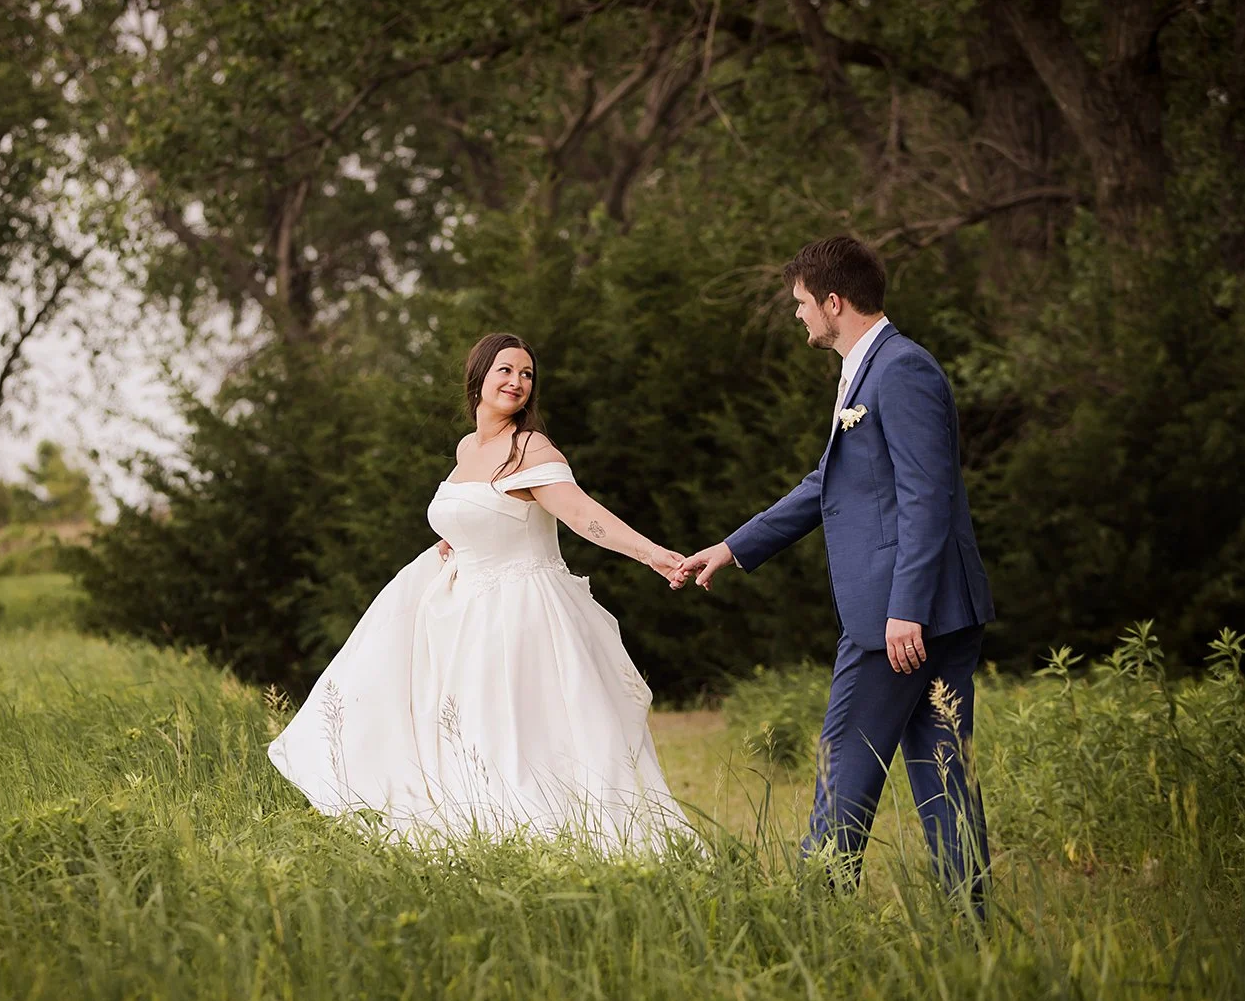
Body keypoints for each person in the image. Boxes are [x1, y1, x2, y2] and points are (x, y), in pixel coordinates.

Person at [268, 332, 702, 855]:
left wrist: (654, 554)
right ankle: (482, 845)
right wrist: (458, 535)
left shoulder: (530, 448)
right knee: (461, 736)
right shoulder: (468, 448)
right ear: (478, 376)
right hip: (459, 617)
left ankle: (553, 845)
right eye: (506, 370)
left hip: (520, 613)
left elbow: (585, 516)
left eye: (526, 375)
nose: (517, 382)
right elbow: (480, 511)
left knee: (519, 738)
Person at [676, 236, 995, 915]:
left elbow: (924, 496)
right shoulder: (868, 368)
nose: (797, 316)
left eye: (800, 304)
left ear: (833, 301)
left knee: (844, 762)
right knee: (943, 778)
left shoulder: (900, 370)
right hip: (936, 609)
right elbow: (831, 483)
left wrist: (904, 609)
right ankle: (968, 926)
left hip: (898, 618)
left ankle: (813, 915)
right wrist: (731, 548)